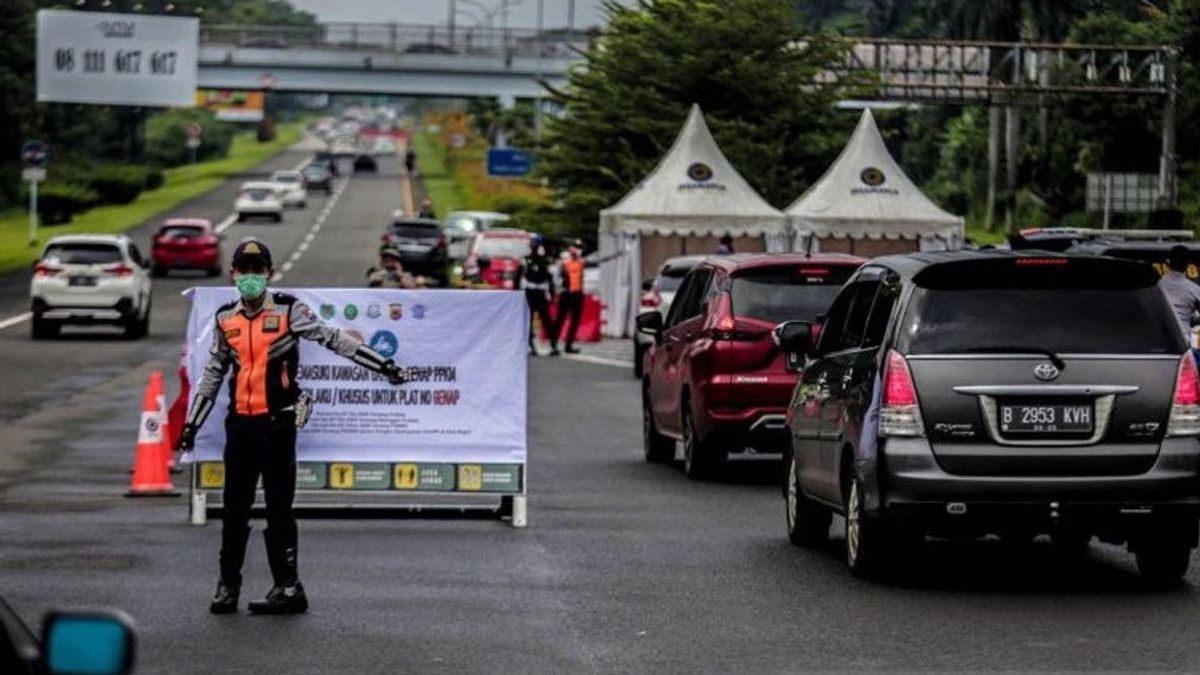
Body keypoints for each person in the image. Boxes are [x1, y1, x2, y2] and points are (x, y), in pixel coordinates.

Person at [176, 239, 410, 615]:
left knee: (278, 508)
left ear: (269, 273)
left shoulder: (288, 310)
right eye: (244, 269)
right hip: (240, 427)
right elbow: (214, 373)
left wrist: (383, 366)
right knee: (234, 509)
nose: (251, 277)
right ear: (233, 274)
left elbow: (334, 340)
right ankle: (227, 586)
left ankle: (288, 587)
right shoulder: (224, 318)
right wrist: (191, 425)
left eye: (258, 270)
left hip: (278, 425)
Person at [519, 235, 558, 356]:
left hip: (541, 291)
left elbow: (550, 278)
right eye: (532, 245)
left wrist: (552, 293)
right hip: (529, 291)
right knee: (527, 320)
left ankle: (553, 345)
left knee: (547, 319)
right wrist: (516, 293)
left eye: (535, 245)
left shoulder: (546, 260)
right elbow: (518, 276)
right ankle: (530, 345)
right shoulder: (526, 259)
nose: (533, 247)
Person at [1159, 245, 1200, 345]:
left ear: (1168, 263)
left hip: (1159, 337)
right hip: (1183, 340)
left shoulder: (1156, 285)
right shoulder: (1194, 289)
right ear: (1187, 265)